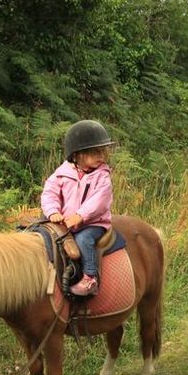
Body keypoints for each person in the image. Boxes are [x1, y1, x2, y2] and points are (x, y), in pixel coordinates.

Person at [41, 120, 115, 296]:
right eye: (96, 152)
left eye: (102, 151)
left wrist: (80, 215)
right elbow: (49, 193)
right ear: (77, 154)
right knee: (44, 240)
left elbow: (100, 201)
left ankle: (90, 277)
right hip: (67, 222)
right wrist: (53, 212)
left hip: (93, 223)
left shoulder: (102, 175)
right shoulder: (61, 173)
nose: (101, 156)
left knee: (83, 240)